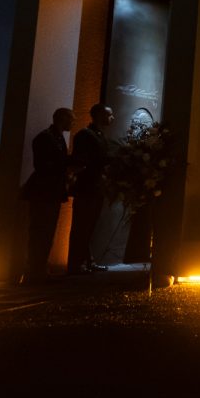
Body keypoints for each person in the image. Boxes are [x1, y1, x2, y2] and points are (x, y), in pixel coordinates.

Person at [21, 107, 74, 284]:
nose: (72, 123)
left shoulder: (57, 138)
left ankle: (40, 267)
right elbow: (43, 165)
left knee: (48, 230)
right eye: (70, 119)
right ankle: (34, 269)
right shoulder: (44, 138)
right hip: (43, 190)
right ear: (61, 119)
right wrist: (66, 165)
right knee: (39, 230)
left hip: (52, 190)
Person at [67, 103, 114, 274]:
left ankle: (86, 261)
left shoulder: (99, 135)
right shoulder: (85, 135)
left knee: (89, 227)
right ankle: (75, 264)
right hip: (87, 187)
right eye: (109, 115)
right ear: (100, 115)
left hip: (95, 187)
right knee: (81, 226)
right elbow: (82, 161)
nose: (112, 118)